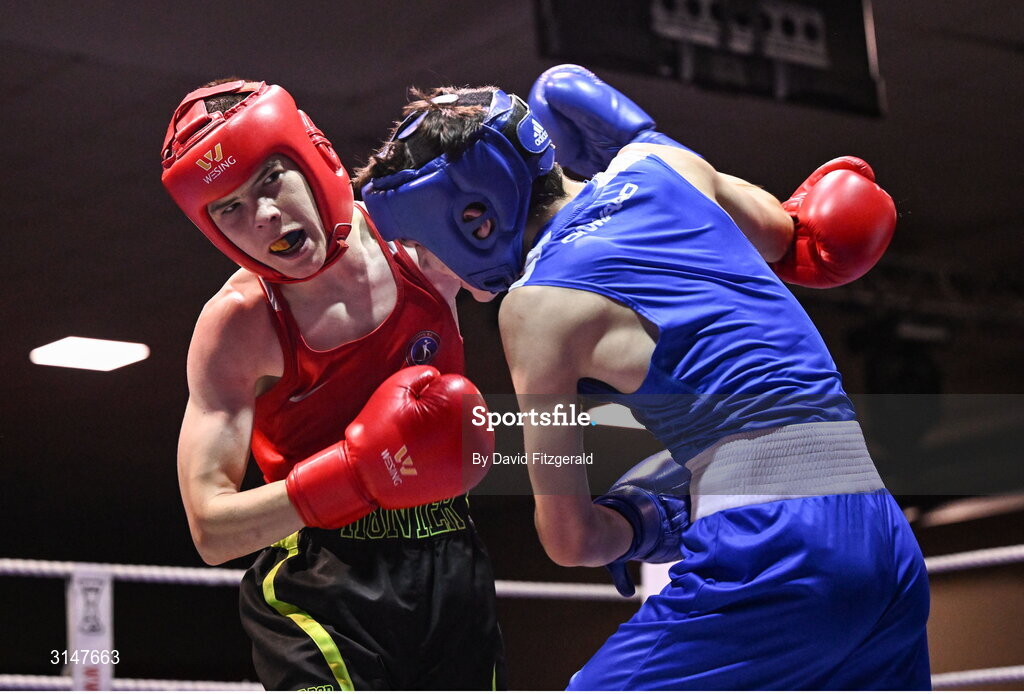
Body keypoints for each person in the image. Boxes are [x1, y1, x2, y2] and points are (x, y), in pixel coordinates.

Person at [356, 65, 931, 689]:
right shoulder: (661, 165)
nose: (430, 270)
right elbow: (790, 233)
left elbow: (570, 538)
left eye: (423, 246)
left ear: (474, 220)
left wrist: (646, 520)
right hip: (883, 532)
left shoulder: (534, 307)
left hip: (775, 544)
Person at [160, 79, 505, 690]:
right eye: (229, 208)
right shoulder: (239, 324)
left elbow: (546, 288)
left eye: (270, 180)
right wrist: (354, 474)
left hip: (452, 560)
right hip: (320, 585)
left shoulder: (416, 238)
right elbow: (211, 531)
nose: (264, 218)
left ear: (313, 154)